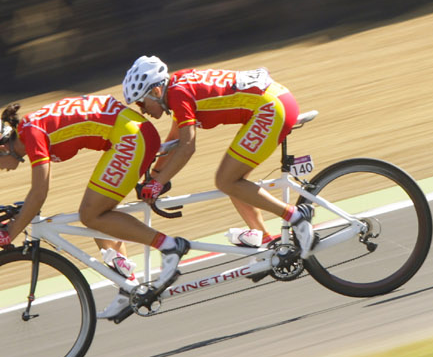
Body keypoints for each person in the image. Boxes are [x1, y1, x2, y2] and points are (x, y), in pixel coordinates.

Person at [0, 94, 193, 316]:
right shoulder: (30, 128)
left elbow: (39, 193)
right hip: (128, 133)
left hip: (131, 136)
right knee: (95, 213)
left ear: (2, 147)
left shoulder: (32, 133)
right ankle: (129, 287)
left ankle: (169, 246)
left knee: (91, 214)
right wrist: (15, 222)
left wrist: (10, 232)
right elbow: (36, 195)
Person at [121, 56, 315, 255]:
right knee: (232, 179)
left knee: (227, 180)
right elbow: (175, 136)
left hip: (271, 109)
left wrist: (158, 183)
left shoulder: (178, 95)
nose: (142, 110)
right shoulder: (177, 85)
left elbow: (187, 147)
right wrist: (156, 176)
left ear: (156, 91)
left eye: (141, 103)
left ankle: (297, 217)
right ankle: (265, 238)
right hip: (275, 100)